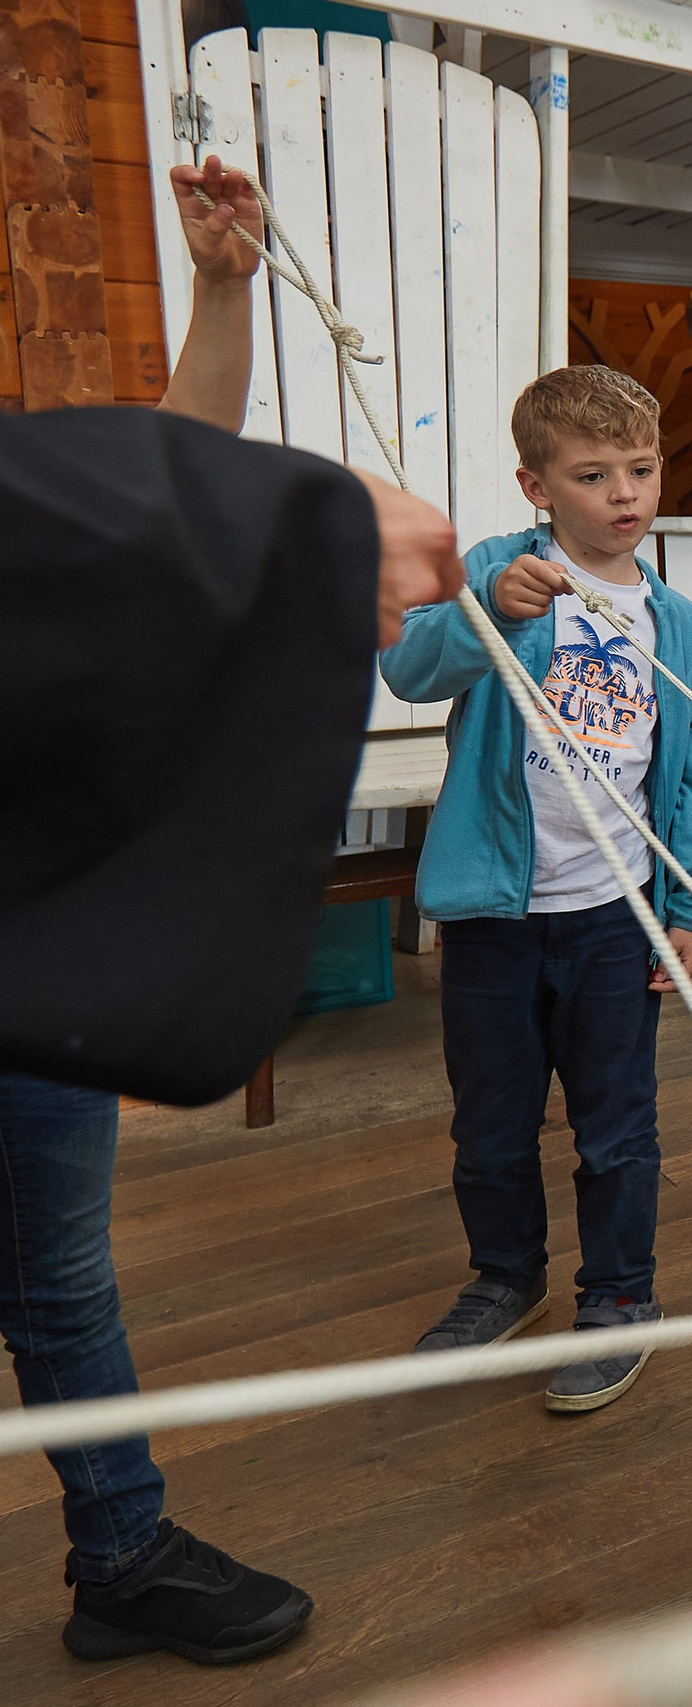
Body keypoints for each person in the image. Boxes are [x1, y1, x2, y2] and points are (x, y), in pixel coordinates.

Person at [0, 158, 465, 1665]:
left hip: (28, 926)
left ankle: (122, 1547)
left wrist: (218, 289)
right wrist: (320, 525)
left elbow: (155, 504)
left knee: (61, 1274)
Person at [379, 366, 692, 1414]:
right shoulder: (497, 568)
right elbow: (412, 670)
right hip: (494, 919)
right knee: (490, 1122)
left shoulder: (677, 621)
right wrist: (486, 604)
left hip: (615, 920)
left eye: (641, 469)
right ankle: (505, 1275)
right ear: (538, 487)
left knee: (617, 1125)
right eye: (592, 474)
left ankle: (621, 1298)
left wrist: (687, 907)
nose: (624, 494)